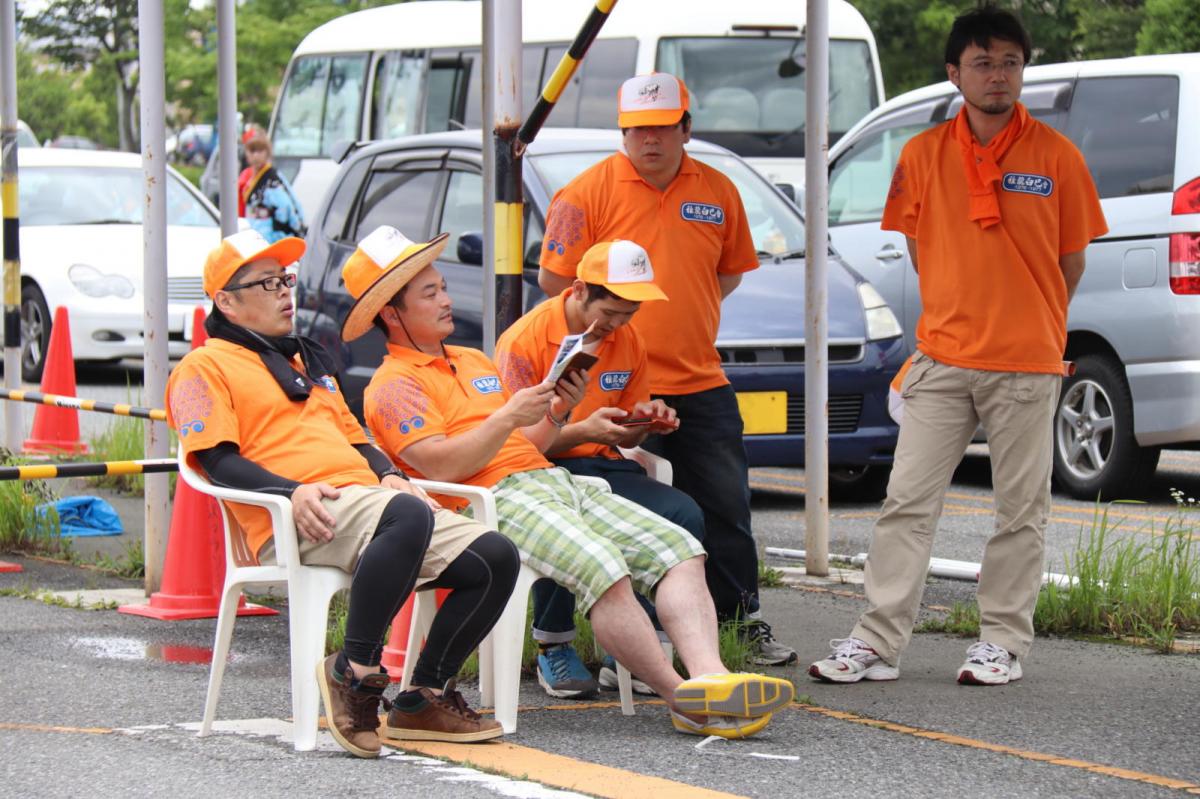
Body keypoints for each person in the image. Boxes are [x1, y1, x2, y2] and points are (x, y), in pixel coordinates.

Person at [347, 225, 794, 740]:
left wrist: (557, 409)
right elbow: (439, 467)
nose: (447, 299)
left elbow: (529, 444)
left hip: (550, 478)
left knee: (679, 547)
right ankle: (683, 698)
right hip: (491, 502)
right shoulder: (392, 384)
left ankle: (711, 680)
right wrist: (507, 417)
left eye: (443, 286)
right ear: (390, 312)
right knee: (601, 565)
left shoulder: (470, 361)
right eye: (431, 293)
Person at [808, 5, 1107, 687]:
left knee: (1018, 511)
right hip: (940, 357)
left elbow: (1072, 261)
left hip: (1026, 361)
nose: (998, 75)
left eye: (1009, 62)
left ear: (1022, 71)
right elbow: (917, 247)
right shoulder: (920, 154)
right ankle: (877, 641)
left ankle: (1001, 642)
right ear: (954, 73)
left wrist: (1027, 316)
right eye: (982, 62)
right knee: (906, 501)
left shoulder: (1058, 158)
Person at [166, 229, 520, 759]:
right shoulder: (203, 365)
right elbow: (216, 462)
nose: (286, 292)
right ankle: (354, 672)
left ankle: (422, 697)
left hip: (365, 503)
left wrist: (387, 473)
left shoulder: (303, 362)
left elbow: (355, 436)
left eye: (286, 279)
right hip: (293, 514)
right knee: (405, 515)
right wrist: (291, 491)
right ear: (226, 301)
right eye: (268, 283)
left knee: (494, 555)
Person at [537, 72, 796, 666]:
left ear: (685, 127)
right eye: (635, 130)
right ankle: (592, 635)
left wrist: (684, 318)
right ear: (623, 131)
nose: (648, 141)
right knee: (584, 500)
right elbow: (556, 282)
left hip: (698, 378)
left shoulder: (720, 190)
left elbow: (726, 274)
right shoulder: (585, 192)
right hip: (608, 383)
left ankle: (740, 620)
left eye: (660, 128)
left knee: (726, 506)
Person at [496, 239, 705, 701]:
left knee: (684, 513)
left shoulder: (628, 338)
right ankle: (553, 644)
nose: (615, 326)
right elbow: (511, 443)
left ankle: (632, 651)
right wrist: (580, 428)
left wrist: (643, 423)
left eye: (628, 315)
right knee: (561, 522)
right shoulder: (524, 341)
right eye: (608, 313)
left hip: (603, 464)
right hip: (540, 466)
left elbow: (625, 431)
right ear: (577, 291)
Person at [240, 134, 305, 243]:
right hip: (257, 233)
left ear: (267, 153)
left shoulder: (271, 180)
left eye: (260, 151)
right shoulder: (251, 175)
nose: (256, 155)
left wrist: (277, 233)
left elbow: (285, 207)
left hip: (272, 237)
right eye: (252, 151)